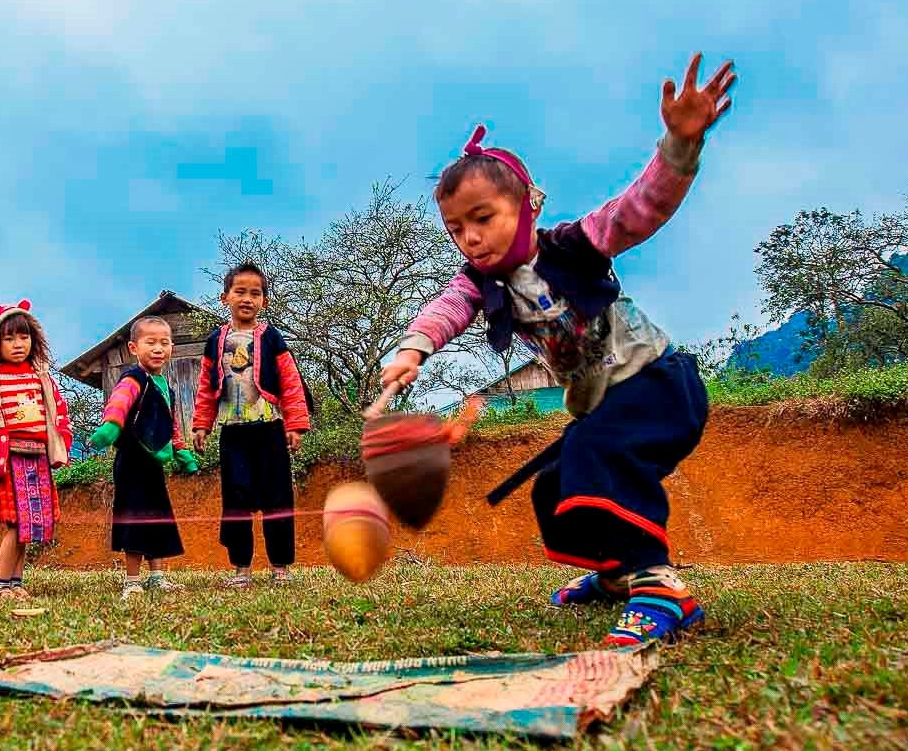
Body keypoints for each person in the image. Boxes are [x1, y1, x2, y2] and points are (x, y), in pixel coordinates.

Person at [378, 53, 736, 647]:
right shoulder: (478, 282)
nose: (470, 237)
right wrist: (414, 349)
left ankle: (660, 586)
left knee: (597, 453)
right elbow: (445, 309)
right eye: (456, 228)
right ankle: (618, 573)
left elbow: (639, 208)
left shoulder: (574, 245)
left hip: (658, 386)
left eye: (483, 218)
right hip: (602, 404)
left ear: (528, 208)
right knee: (553, 482)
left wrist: (679, 144)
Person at [190, 261, 312, 588]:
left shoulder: (272, 338)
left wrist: (295, 424)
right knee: (235, 498)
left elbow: (290, 382)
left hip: (269, 429)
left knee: (278, 497)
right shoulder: (215, 340)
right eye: (239, 291)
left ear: (264, 302)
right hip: (233, 433)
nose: (247, 298)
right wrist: (201, 424)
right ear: (224, 297)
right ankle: (241, 569)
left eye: (255, 293)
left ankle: (280, 568)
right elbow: (205, 386)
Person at [0, 300, 73, 602]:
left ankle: (15, 582)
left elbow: (58, 413)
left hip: (36, 460)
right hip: (7, 460)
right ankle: (0, 585)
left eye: (24, 337)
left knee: (27, 526)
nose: (18, 344)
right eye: (9, 338)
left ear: (34, 340)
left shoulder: (41, 377)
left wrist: (61, 439)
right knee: (15, 524)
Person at [87, 316, 199, 601]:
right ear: (134, 348)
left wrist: (182, 451)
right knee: (135, 518)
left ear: (172, 347)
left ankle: (157, 576)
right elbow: (119, 403)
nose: (158, 348)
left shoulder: (166, 388)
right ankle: (132, 580)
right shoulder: (132, 379)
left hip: (154, 465)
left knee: (157, 518)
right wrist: (111, 426)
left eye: (164, 342)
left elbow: (170, 425)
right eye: (151, 342)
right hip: (132, 462)